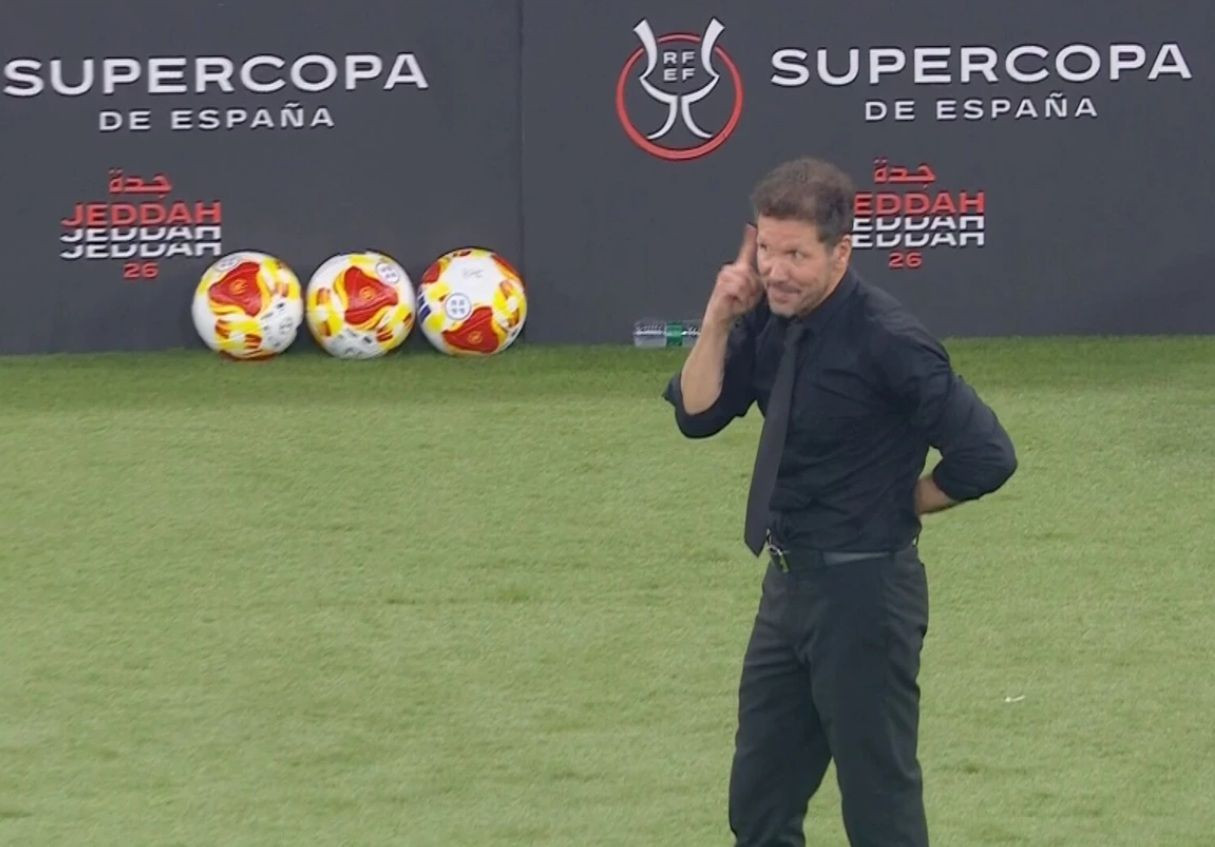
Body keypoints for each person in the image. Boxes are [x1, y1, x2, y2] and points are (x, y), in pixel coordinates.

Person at [662, 157, 1017, 847]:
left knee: (879, 807)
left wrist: (903, 501)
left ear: (841, 252)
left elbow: (987, 454)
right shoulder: (766, 317)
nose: (776, 270)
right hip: (786, 590)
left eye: (796, 255)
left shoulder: (890, 340)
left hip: (866, 596)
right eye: (767, 249)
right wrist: (717, 318)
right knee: (758, 804)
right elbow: (696, 416)